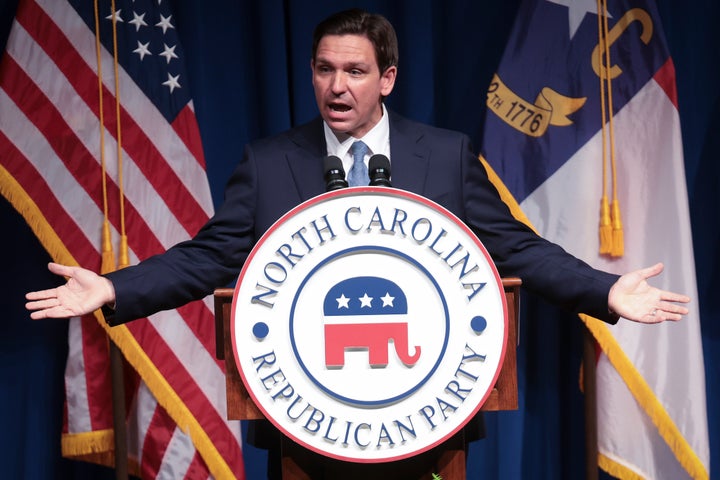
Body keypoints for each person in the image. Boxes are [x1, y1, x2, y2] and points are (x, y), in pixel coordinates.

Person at [25, 9, 689, 326]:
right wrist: (114, 287)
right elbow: (209, 257)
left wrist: (604, 291)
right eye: (323, 69)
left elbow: (515, 247)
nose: (336, 87)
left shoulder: (446, 156)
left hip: (425, 397)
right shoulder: (270, 163)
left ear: (388, 78)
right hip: (306, 412)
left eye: (354, 71)